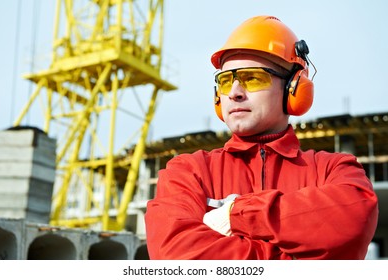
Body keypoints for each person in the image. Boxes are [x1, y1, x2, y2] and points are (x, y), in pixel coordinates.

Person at [144, 15, 378, 259]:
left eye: (253, 78)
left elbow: (355, 217)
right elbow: (174, 254)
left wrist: (236, 213)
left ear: (294, 88)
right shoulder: (188, 172)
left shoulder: (334, 169)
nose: (234, 93)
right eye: (225, 81)